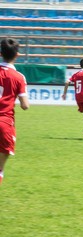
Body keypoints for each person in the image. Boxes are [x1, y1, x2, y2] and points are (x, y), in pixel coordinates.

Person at [0, 38, 29, 185]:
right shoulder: (19, 77)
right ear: (17, 55)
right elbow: (25, 105)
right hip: (5, 123)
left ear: (0, 53)